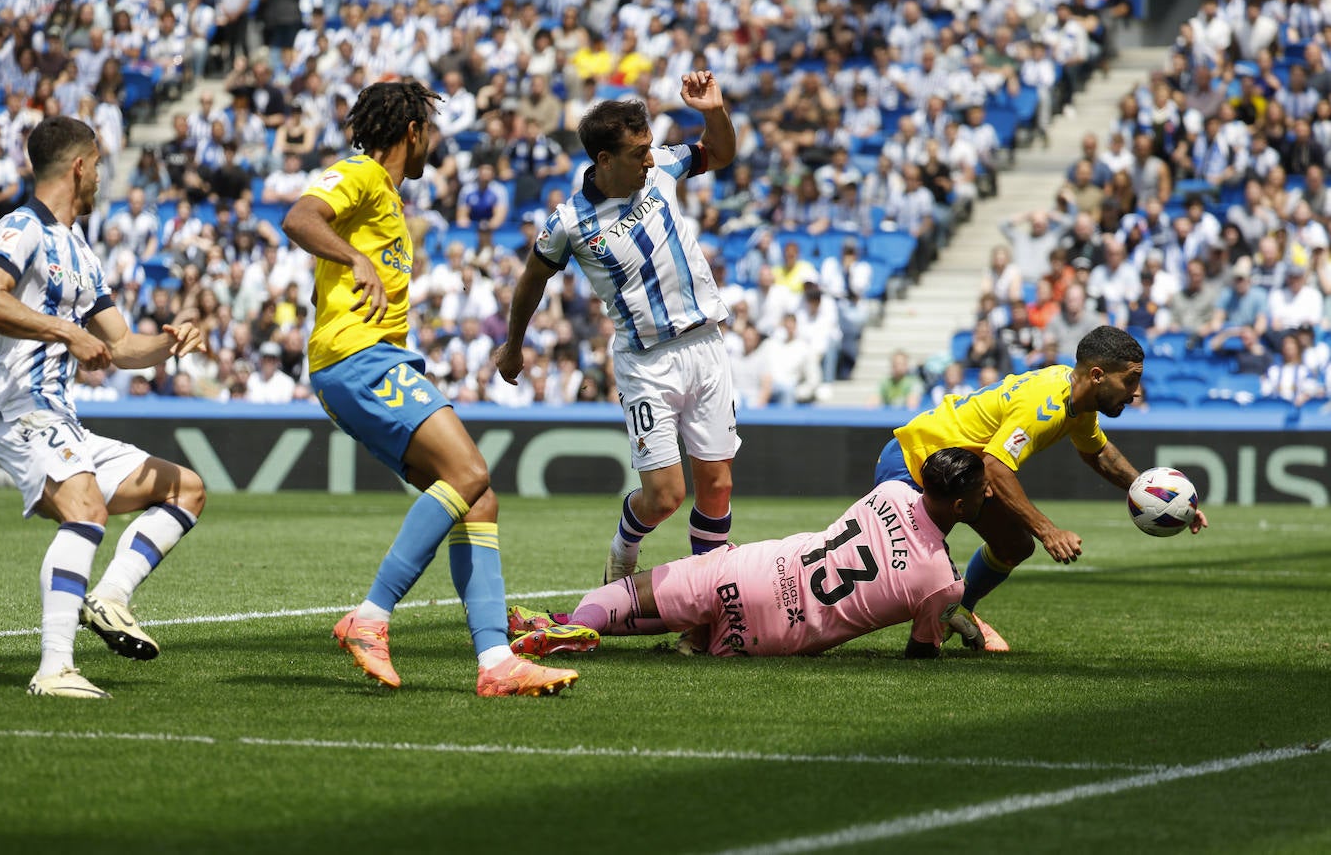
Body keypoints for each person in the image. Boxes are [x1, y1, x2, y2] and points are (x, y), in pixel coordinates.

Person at [280, 81, 579, 697]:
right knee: (469, 471)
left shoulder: (386, 198)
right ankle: (370, 618)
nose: (434, 145)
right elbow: (300, 217)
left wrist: (346, 272)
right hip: (360, 359)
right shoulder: (360, 173)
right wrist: (355, 262)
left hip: (371, 360)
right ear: (413, 131)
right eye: (431, 132)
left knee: (479, 500)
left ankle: (496, 664)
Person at [0, 116, 208, 699]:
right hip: (18, 409)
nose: (102, 175)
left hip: (61, 418)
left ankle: (110, 597)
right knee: (87, 506)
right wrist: (64, 333)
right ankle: (54, 669)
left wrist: (169, 340)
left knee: (187, 489)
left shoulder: (80, 250)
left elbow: (122, 346)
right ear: (79, 166)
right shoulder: (20, 228)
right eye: (98, 164)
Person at [494, 74, 739, 585]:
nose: (650, 159)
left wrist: (714, 112)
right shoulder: (570, 222)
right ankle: (623, 548)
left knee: (716, 486)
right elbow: (531, 280)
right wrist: (513, 347)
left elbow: (721, 153)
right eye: (637, 152)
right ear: (604, 160)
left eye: (649, 148)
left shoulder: (664, 169)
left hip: (706, 344)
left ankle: (704, 604)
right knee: (666, 496)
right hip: (646, 363)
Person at [872, 326, 1208, 651]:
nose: (1136, 392)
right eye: (1130, 379)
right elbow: (997, 467)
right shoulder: (1046, 404)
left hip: (962, 474)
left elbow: (1099, 453)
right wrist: (1048, 531)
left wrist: (1162, 497)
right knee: (909, 572)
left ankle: (957, 611)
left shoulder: (1077, 401)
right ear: (1096, 376)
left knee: (1014, 545)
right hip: (913, 463)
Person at [506, 448, 992, 660]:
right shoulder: (942, 583)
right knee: (678, 621)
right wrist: (954, 622)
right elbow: (920, 652)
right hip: (773, 633)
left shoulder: (888, 493)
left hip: (758, 570)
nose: (989, 497)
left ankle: (575, 622)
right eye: (984, 491)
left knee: (629, 595)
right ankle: (563, 623)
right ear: (958, 504)